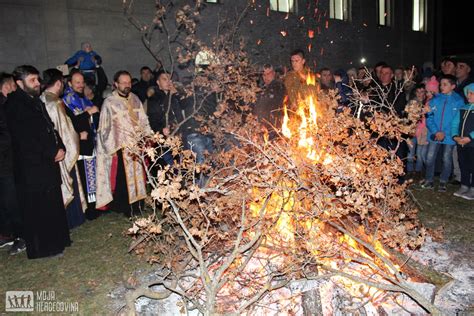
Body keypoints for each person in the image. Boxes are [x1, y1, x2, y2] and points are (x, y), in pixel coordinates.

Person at [5, 65, 71, 259]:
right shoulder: (14, 106)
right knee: (38, 209)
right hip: (31, 168)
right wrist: (51, 151)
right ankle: (45, 248)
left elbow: (49, 127)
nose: (37, 83)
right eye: (32, 80)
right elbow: (26, 139)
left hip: (47, 163)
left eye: (37, 79)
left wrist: (60, 147)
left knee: (52, 204)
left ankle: (58, 241)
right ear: (19, 83)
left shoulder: (35, 101)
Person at [96, 70, 152, 216]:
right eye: (124, 83)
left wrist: (148, 136)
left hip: (137, 145)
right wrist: (111, 148)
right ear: (116, 84)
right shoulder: (109, 102)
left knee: (139, 177)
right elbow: (104, 128)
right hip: (121, 147)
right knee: (123, 179)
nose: (127, 85)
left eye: (129, 82)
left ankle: (138, 204)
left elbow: (143, 119)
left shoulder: (135, 98)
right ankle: (125, 208)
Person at [41, 69, 87, 229]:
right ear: (59, 83)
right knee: (68, 183)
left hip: (49, 151)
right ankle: (73, 220)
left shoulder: (42, 99)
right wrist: (77, 138)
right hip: (62, 150)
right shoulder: (55, 102)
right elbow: (66, 130)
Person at [63, 70, 100, 219]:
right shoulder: (66, 101)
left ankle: (95, 205)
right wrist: (89, 113)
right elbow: (72, 123)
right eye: (77, 82)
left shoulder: (83, 98)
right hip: (79, 145)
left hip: (90, 142)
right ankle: (89, 210)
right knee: (85, 178)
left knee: (92, 176)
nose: (80, 85)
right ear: (70, 83)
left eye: (82, 82)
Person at [421, 74, 465, 191]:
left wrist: (444, 132)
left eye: (445, 84)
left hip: (449, 136)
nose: (441, 87)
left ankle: (443, 181)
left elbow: (457, 120)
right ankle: (429, 180)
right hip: (435, 135)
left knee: (446, 158)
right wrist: (436, 132)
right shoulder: (435, 100)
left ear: (453, 86)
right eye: (441, 84)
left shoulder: (458, 101)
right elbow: (429, 116)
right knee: (430, 157)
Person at [0, 73, 24, 255]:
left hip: (6, 162)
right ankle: (16, 235)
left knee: (9, 200)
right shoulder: (5, 106)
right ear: (8, 87)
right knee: (10, 200)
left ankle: (16, 235)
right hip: (6, 161)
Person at [451, 83, 474, 200]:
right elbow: (455, 123)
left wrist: (470, 137)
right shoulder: (463, 109)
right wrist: (455, 136)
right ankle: (464, 185)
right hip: (461, 143)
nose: (468, 96)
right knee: (463, 164)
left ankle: (473, 189)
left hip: (472, 143)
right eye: (467, 93)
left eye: (471, 93)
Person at [253, 64, 286, 135]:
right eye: (264, 75)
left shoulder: (278, 86)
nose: (266, 77)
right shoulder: (262, 89)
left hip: (273, 126)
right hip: (263, 126)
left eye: (268, 74)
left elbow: (270, 104)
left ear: (273, 73)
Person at [407, 84, 427, 175]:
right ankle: (410, 170)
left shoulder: (428, 103)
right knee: (410, 153)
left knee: (420, 153)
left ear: (425, 93)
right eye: (418, 92)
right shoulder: (411, 103)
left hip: (423, 132)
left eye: (422, 91)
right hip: (412, 131)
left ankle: (418, 171)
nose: (420, 94)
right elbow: (408, 117)